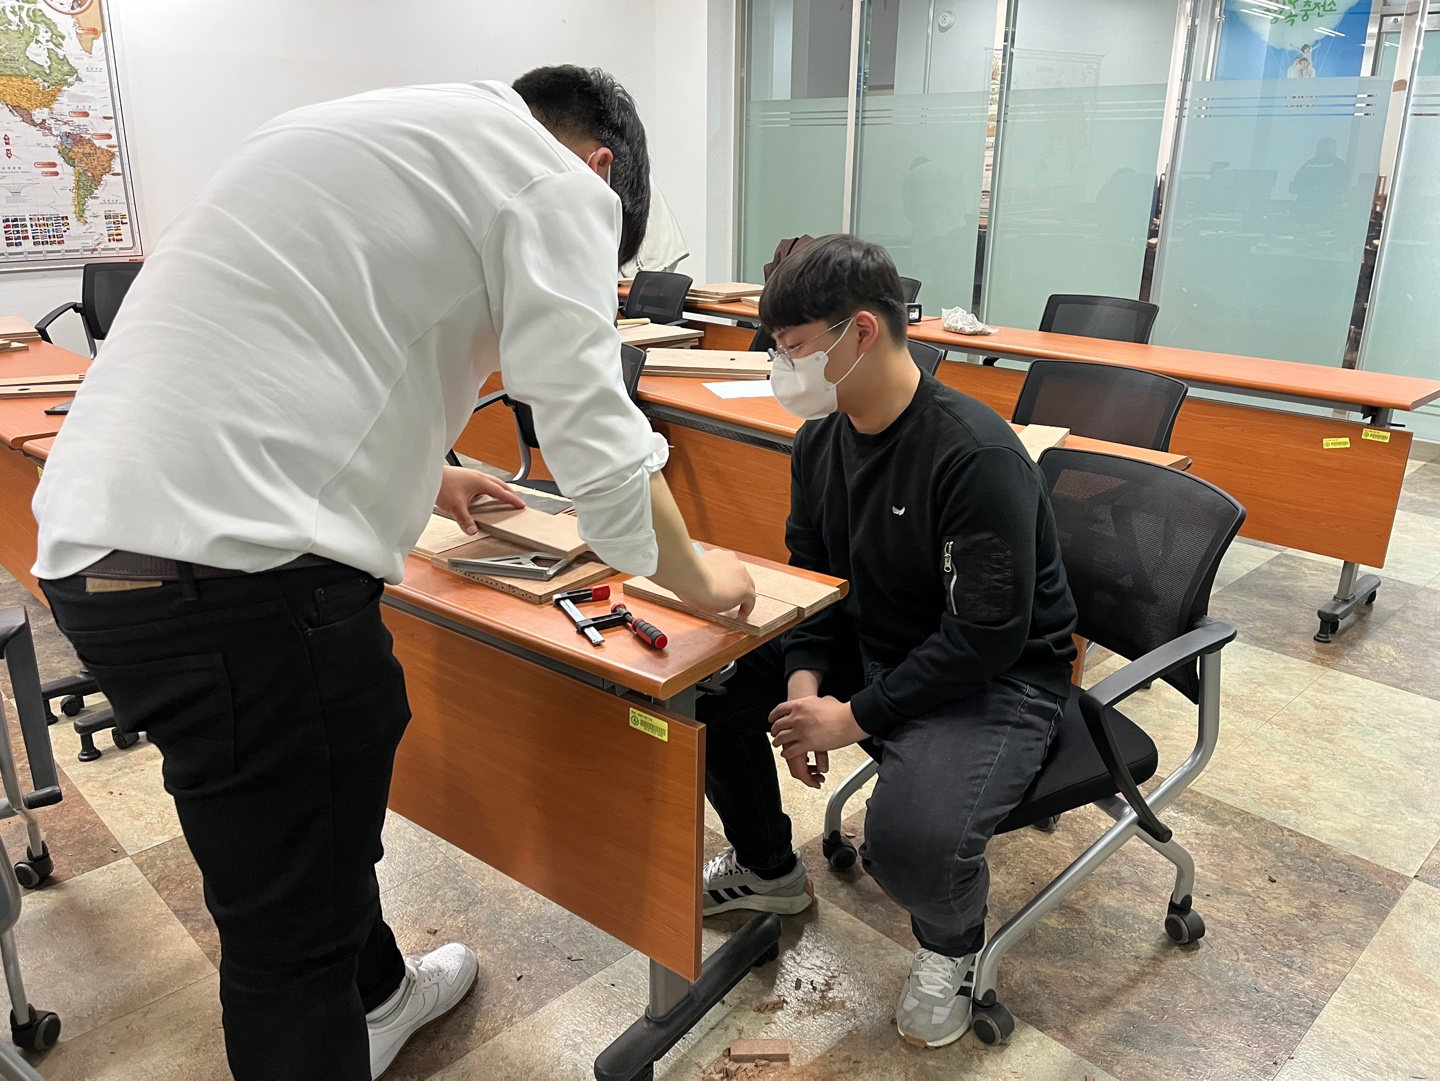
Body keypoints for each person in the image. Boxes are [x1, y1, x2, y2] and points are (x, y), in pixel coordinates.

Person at [31, 66, 755, 1081]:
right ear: (600, 168)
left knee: (303, 836)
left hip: (96, 554)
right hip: (245, 588)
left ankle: (379, 997)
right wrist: (697, 579)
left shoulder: (362, 124)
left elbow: (298, 345)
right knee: (290, 947)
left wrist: (433, 474)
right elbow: (594, 440)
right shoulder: (556, 181)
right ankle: (344, 1005)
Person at [696, 235, 1078, 1049]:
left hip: (998, 676)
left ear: (861, 332)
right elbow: (816, 576)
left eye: (793, 347)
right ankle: (767, 867)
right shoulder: (821, 439)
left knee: (908, 844)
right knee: (710, 683)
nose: (782, 367)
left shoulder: (974, 455)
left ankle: (952, 946)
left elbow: (985, 636)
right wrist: (803, 680)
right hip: (878, 636)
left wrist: (853, 716)